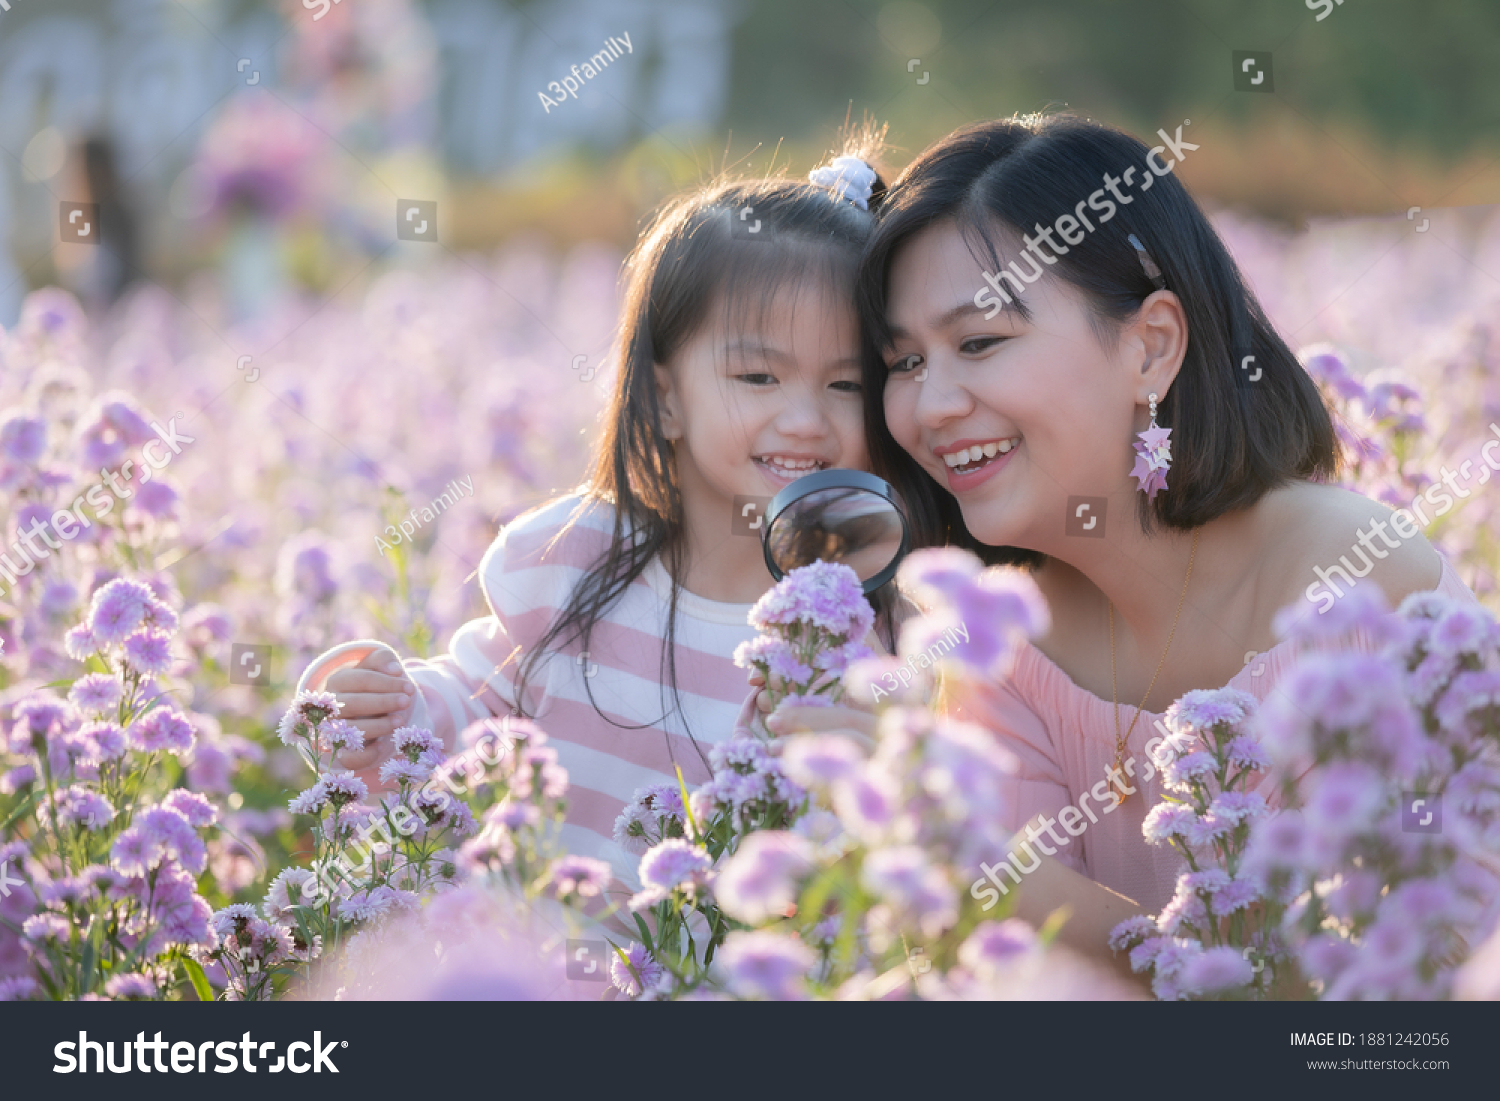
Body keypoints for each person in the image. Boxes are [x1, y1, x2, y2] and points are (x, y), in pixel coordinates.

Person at [769, 113, 1485, 967]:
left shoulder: (1361, 590)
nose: (932, 406)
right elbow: (1048, 984)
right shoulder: (998, 650)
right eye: (906, 362)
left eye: (981, 342)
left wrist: (950, 839)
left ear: (1151, 347)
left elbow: (1441, 966)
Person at [293, 137, 895, 895]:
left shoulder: (857, 628)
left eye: (846, 385)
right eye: (759, 375)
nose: (805, 418)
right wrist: (382, 705)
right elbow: (469, 708)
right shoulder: (574, 563)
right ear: (666, 395)